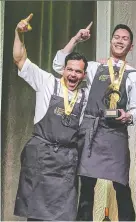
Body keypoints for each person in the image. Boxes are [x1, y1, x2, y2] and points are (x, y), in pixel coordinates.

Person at [53, 23, 136, 221]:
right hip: (91, 132)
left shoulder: (134, 75)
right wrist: (76, 39)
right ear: (111, 41)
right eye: (116, 37)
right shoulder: (94, 67)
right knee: (86, 187)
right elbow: (59, 66)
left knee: (121, 186)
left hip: (115, 134)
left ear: (131, 46)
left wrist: (127, 116)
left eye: (125, 38)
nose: (120, 41)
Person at [13, 14, 88, 221]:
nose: (73, 74)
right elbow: (19, 59)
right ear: (63, 70)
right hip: (41, 157)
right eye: (70, 69)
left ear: (84, 75)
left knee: (64, 217)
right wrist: (18, 33)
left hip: (66, 162)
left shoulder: (85, 95)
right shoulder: (47, 82)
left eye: (78, 71)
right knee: (36, 216)